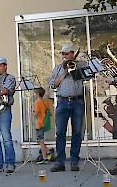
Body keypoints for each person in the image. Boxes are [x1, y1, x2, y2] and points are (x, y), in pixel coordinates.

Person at [49, 43, 85, 172]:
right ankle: (60, 162)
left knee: (77, 132)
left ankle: (74, 161)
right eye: (63, 54)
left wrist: (75, 69)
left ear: (72, 54)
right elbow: (53, 85)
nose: (64, 56)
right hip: (62, 102)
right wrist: (65, 72)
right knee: (60, 133)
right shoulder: (58, 69)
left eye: (67, 53)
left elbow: (88, 76)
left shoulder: (80, 66)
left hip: (77, 102)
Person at [32, 87, 52, 164]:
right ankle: (48, 152)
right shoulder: (45, 101)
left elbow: (36, 114)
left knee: (40, 141)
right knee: (39, 140)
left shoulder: (37, 102)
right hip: (44, 123)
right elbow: (50, 113)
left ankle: (45, 157)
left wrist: (32, 112)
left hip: (39, 123)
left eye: (35, 93)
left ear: (37, 94)